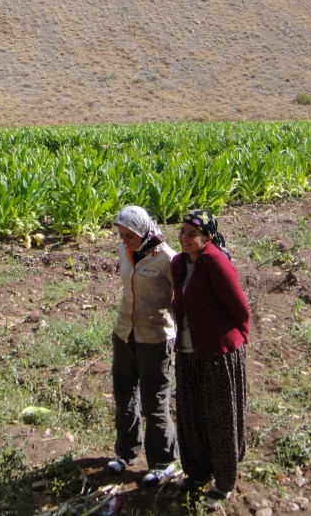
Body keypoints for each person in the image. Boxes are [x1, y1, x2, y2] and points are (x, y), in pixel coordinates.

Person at [171, 209, 250, 508]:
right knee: (190, 415)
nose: (185, 238)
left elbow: (239, 307)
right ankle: (196, 472)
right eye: (182, 232)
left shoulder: (217, 263)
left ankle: (224, 481)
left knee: (220, 418)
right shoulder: (179, 264)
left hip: (218, 353)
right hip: (189, 352)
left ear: (207, 238)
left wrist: (236, 341)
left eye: (192, 234)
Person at [108, 205, 178, 486]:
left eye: (130, 236)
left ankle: (164, 461)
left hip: (155, 338)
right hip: (125, 333)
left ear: (144, 230)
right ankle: (126, 452)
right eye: (122, 235)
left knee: (155, 401)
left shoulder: (167, 259)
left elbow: (181, 298)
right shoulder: (124, 252)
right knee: (124, 394)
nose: (125, 241)